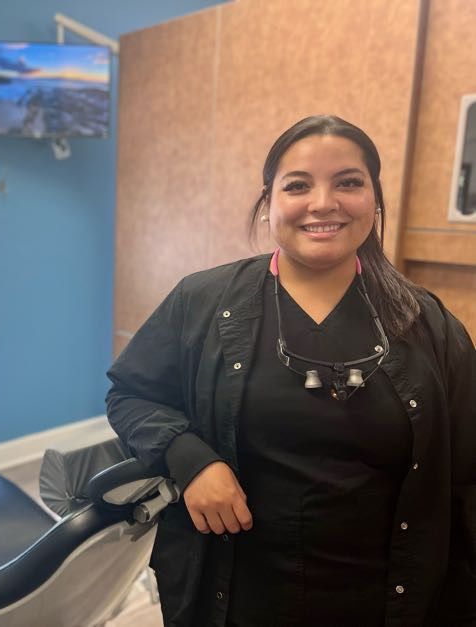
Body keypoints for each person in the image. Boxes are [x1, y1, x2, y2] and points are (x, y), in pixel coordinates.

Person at [106, 115, 476, 626]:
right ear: (269, 203)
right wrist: (188, 457)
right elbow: (130, 395)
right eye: (298, 185)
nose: (323, 202)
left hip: (383, 600)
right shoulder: (203, 301)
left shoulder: (426, 322)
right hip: (236, 594)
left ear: (375, 199)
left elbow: (467, 476)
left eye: (348, 182)